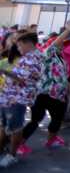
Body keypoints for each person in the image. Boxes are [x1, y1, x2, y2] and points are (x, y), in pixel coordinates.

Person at [18, 24, 70, 154]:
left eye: (63, 45)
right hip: (44, 93)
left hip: (57, 95)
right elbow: (54, 46)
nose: (62, 46)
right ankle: (19, 144)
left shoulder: (62, 60)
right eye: (60, 44)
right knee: (36, 119)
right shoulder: (46, 55)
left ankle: (51, 140)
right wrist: (67, 31)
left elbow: (61, 75)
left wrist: (68, 85)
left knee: (57, 118)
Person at [0, 31, 43, 168]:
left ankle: (12, 155)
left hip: (16, 99)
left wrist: (5, 72)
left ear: (29, 44)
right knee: (6, 126)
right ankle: (5, 150)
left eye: (19, 46)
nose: (18, 48)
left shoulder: (32, 58)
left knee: (15, 128)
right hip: (9, 98)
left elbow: (21, 79)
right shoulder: (28, 57)